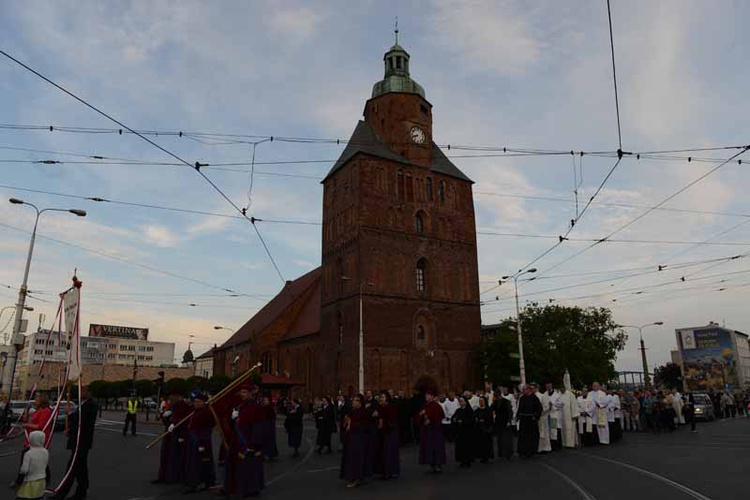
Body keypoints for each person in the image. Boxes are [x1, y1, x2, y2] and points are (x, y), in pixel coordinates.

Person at [52, 386, 98, 500]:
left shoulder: (91, 404)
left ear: (88, 392)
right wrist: (70, 429)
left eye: (82, 391)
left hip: (81, 442)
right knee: (81, 469)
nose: (80, 393)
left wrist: (69, 413)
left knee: (71, 468)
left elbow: (81, 420)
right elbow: (79, 423)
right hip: (79, 441)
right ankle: (81, 493)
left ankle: (61, 494)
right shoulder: (83, 404)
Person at [223, 384, 264, 498]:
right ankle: (236, 487)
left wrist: (254, 443)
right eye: (241, 392)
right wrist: (233, 419)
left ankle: (250, 488)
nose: (242, 394)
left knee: (248, 467)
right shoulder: (240, 406)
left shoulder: (256, 407)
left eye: (245, 392)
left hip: (249, 442)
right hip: (238, 441)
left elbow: (258, 426)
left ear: (251, 393)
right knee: (237, 466)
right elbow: (235, 426)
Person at [153, 390, 191, 484]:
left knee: (174, 456)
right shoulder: (173, 406)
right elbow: (167, 421)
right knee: (165, 455)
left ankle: (173, 477)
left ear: (178, 396)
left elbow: (186, 421)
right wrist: (165, 416)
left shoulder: (184, 406)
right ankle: (163, 475)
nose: (170, 399)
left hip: (177, 435)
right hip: (169, 434)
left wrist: (176, 425)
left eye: (172, 396)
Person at [340, 394, 370, 488]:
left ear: (360, 403)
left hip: (359, 439)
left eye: (356, 400)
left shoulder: (363, 412)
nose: (354, 402)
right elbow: (346, 423)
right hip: (352, 438)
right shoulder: (352, 411)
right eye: (353, 400)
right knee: (351, 458)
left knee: (356, 459)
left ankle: (356, 478)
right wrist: (346, 422)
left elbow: (363, 425)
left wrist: (350, 424)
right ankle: (355, 477)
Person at [417, 390, 446, 473]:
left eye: (428, 395)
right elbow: (419, 417)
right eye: (426, 395)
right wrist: (421, 415)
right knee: (429, 448)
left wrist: (431, 421)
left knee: (436, 447)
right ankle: (432, 464)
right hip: (427, 431)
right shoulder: (424, 406)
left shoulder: (437, 406)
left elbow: (440, 417)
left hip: (435, 431)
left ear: (432, 397)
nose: (426, 397)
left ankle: (438, 464)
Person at [15, 430, 48, 500]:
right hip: (41, 481)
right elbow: (46, 466)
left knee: (24, 497)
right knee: (39, 496)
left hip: (30, 482)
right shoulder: (45, 451)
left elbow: (24, 470)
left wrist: (18, 481)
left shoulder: (28, 454)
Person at [374, 391, 400, 480]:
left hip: (390, 433)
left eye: (383, 397)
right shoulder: (379, 407)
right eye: (381, 397)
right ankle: (383, 471)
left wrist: (383, 422)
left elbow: (392, 420)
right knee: (381, 453)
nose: (381, 399)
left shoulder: (391, 407)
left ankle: (391, 471)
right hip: (382, 433)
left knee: (389, 453)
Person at [516, 385, 542, 458]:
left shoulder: (534, 398)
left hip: (531, 420)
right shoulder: (522, 398)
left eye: (526, 389)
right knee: (523, 436)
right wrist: (518, 416)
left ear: (529, 390)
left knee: (531, 436)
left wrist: (535, 416)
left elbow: (539, 409)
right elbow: (520, 408)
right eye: (524, 390)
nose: (525, 391)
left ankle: (531, 451)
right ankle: (522, 451)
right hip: (524, 420)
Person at [451, 396, 475, 468]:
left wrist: (463, 421)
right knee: (460, 447)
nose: (461, 403)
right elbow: (453, 418)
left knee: (467, 447)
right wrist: (454, 420)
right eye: (460, 401)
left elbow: (472, 421)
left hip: (467, 432)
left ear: (465, 402)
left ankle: (467, 461)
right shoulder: (458, 410)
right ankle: (462, 460)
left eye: (462, 401)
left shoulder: (469, 411)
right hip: (460, 432)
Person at [474, 396, 494, 463]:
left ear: (485, 401)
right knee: (481, 444)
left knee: (487, 444)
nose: (481, 402)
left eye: (482, 400)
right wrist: (477, 420)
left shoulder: (488, 410)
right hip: (479, 430)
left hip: (487, 429)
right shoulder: (477, 410)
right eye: (480, 401)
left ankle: (487, 457)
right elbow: (475, 418)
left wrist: (484, 420)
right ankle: (482, 457)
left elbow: (491, 420)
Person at [259, 396, 279, 461]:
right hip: (263, 426)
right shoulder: (261, 408)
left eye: (266, 400)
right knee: (263, 441)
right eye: (264, 400)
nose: (264, 401)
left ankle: (271, 455)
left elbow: (273, 418)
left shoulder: (270, 408)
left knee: (270, 441)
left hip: (269, 426)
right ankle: (263, 455)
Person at [536, 384, 552, 453]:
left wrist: (542, 412)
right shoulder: (534, 396)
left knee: (544, 433)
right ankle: (539, 448)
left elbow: (547, 406)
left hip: (542, 416)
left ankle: (545, 448)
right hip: (537, 417)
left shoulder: (542, 396)